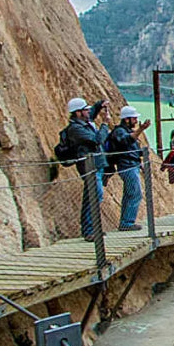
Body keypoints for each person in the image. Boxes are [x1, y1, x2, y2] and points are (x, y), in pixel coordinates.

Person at [64, 97, 111, 239]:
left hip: (96, 164)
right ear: (78, 112)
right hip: (89, 166)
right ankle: (89, 231)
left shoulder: (82, 123)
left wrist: (99, 105)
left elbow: (91, 114)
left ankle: (92, 229)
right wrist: (105, 125)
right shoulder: (76, 129)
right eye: (85, 110)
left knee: (93, 195)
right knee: (94, 195)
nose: (88, 112)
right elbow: (96, 140)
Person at [108, 106, 152, 231]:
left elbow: (131, 148)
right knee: (135, 193)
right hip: (127, 166)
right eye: (134, 118)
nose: (136, 120)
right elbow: (126, 141)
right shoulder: (120, 132)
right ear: (127, 119)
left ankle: (126, 222)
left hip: (131, 165)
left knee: (130, 194)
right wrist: (141, 129)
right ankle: (127, 222)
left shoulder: (125, 131)